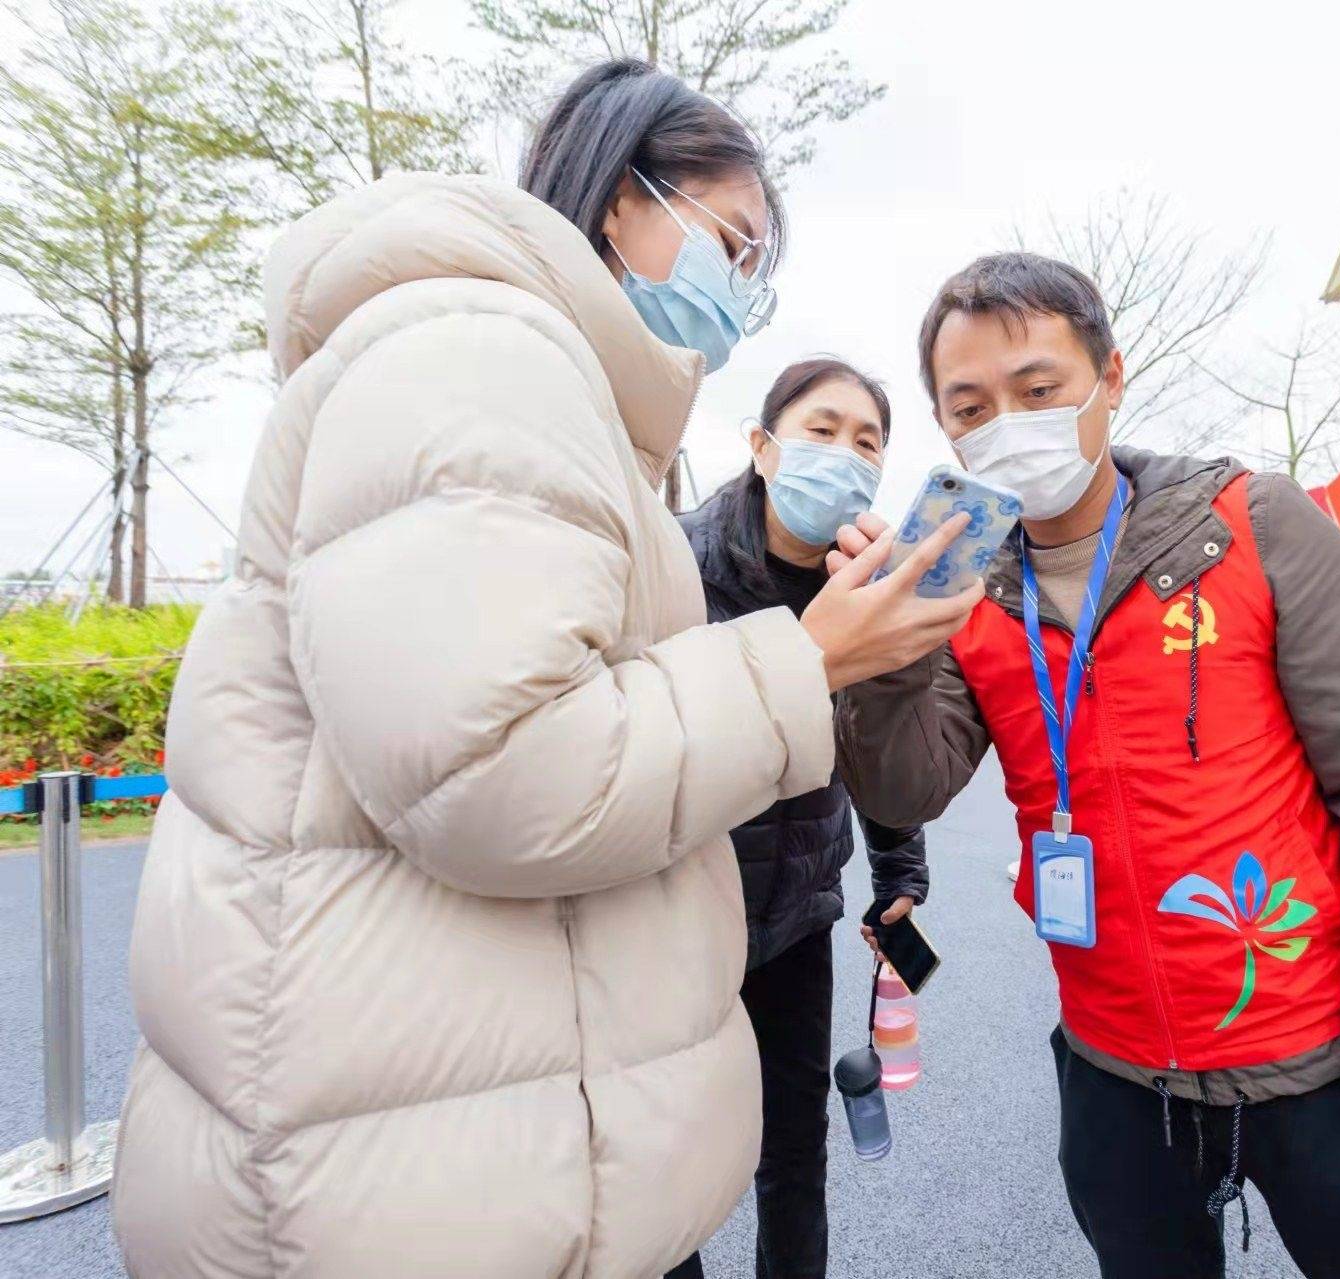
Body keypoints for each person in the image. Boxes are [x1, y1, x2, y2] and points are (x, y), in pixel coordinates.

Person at [110, 61, 981, 1279]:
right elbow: (502, 768)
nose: (740, 287)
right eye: (728, 241)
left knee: (790, 1173)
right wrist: (811, 658)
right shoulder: (478, 351)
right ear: (624, 202)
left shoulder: (541, 387)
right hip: (409, 1139)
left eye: (754, 264)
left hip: (463, 1083)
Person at [835, 253, 1340, 1279]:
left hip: (1321, 1064)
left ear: (1109, 375)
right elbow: (905, 790)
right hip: (1111, 1069)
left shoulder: (1252, 525)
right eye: (970, 406)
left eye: (1037, 389)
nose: (1008, 423)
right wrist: (886, 659)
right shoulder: (969, 590)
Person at [671, 358, 928, 1279]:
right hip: (672, 917)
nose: (845, 456)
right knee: (662, 1160)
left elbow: (879, 731)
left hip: (796, 912)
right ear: (762, 443)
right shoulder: (674, 564)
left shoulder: (864, 580)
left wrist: (899, 872)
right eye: (823, 430)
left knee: (793, 1147)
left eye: (868, 443)